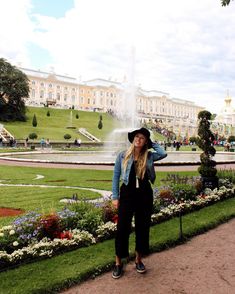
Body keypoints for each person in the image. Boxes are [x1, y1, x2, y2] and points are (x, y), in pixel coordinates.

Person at [111, 127, 167, 279]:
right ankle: (118, 262)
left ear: (145, 142)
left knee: (142, 227)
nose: (138, 139)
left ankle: (138, 260)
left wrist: (151, 143)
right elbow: (116, 176)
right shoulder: (122, 155)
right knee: (122, 228)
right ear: (133, 139)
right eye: (137, 137)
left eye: (142, 138)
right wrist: (115, 197)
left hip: (144, 194)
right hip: (127, 194)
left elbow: (163, 153)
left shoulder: (149, 156)